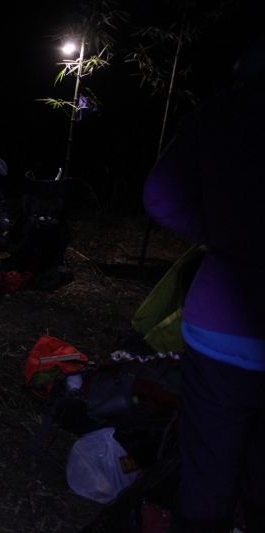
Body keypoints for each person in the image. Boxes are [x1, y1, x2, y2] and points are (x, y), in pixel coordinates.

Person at [142, 38, 265, 533]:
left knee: (209, 465)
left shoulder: (221, 113)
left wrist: (223, 237)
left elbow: (160, 194)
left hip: (224, 322)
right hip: (227, 319)